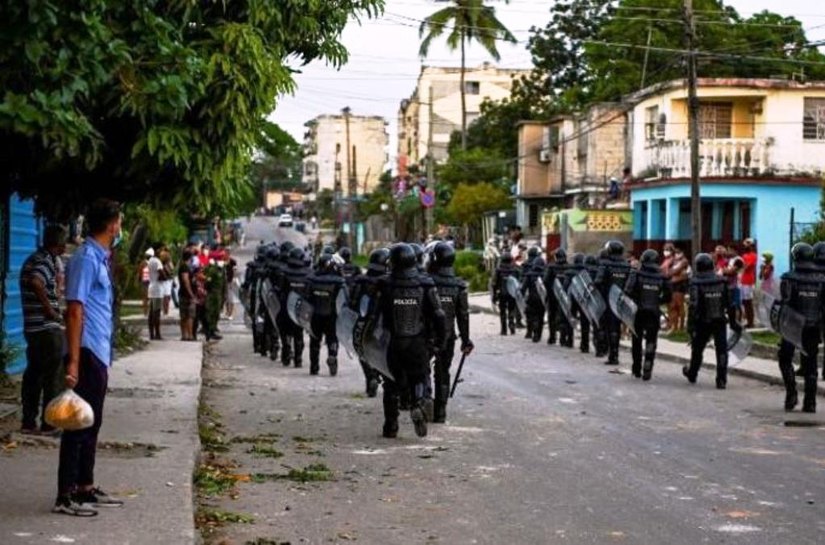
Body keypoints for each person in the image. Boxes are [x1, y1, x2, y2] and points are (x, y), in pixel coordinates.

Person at [56, 198, 124, 517]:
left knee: (91, 421)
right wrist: (72, 360)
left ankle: (85, 486)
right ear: (111, 225)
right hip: (84, 350)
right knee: (77, 423)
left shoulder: (100, 258)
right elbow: (74, 310)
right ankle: (66, 495)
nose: (120, 227)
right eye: (119, 222)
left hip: (97, 350)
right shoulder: (85, 258)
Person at [376, 243, 446, 438]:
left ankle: (390, 426)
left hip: (391, 342)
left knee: (390, 383)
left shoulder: (384, 283)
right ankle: (417, 404)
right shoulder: (425, 283)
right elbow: (439, 315)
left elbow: (374, 316)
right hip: (416, 341)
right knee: (420, 376)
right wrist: (442, 339)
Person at [19, 225, 68, 436]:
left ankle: (29, 422)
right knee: (53, 376)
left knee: (34, 375)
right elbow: (36, 282)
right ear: (58, 244)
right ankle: (50, 423)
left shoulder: (33, 259)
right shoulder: (45, 260)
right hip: (46, 328)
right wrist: (50, 311)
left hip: (33, 327)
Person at [427, 242, 473, 423]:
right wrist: (466, 340)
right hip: (448, 336)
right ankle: (440, 412)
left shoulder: (427, 282)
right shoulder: (459, 286)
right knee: (443, 372)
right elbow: (463, 316)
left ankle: (424, 400)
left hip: (426, 336)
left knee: (422, 370)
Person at [777, 243, 824, 412]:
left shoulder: (789, 278)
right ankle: (810, 402)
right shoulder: (822, 280)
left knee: (784, 358)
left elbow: (786, 303)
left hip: (792, 326)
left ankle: (791, 394)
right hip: (813, 326)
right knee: (811, 363)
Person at [683, 253, 737, 389]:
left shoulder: (695, 282)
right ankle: (722, 379)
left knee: (697, 349)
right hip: (719, 320)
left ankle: (693, 373)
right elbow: (730, 304)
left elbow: (693, 306)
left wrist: (690, 326)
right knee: (722, 350)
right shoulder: (722, 281)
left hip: (702, 321)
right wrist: (733, 322)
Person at [624, 249, 671, 380]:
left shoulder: (636, 274)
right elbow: (668, 296)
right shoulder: (663, 277)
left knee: (636, 340)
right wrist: (657, 301)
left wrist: (636, 299)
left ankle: (637, 368)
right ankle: (648, 365)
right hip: (654, 312)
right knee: (651, 339)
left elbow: (627, 291)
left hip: (638, 311)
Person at [350, 248, 390, 397]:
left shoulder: (360, 280)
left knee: (363, 353)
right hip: (383, 327)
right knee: (384, 355)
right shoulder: (389, 283)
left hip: (363, 324)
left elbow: (351, 304)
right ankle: (384, 380)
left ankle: (370, 377)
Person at [306, 254, 346, 376]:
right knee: (332, 339)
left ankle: (314, 367)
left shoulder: (312, 279)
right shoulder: (339, 281)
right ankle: (332, 355)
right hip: (332, 316)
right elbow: (345, 299)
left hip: (315, 316)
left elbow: (306, 297)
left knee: (314, 341)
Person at [595, 241, 632, 366]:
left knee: (604, 326)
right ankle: (615, 354)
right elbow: (630, 284)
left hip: (606, 300)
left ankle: (606, 352)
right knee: (616, 328)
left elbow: (598, 281)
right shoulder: (627, 265)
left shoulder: (604, 264)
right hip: (621, 301)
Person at [279, 247, 311, 368]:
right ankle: (298, 359)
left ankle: (286, 349)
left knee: (286, 331)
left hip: (285, 308)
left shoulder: (283, 272)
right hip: (300, 309)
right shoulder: (308, 273)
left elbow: (279, 289)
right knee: (298, 334)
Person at [544, 248, 568, 346]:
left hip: (553, 296)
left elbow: (546, 280)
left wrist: (549, 291)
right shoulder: (568, 267)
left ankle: (552, 337)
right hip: (565, 296)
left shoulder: (551, 267)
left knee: (552, 316)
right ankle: (563, 338)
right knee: (564, 316)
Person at [663, 244, 689, 333]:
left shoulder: (684, 261)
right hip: (672, 286)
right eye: (676, 253)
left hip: (680, 286)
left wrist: (671, 274)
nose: (677, 254)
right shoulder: (673, 261)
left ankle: (681, 327)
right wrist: (671, 273)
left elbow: (674, 272)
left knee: (679, 306)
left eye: (679, 253)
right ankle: (674, 326)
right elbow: (666, 271)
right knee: (672, 306)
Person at [492, 250, 519, 335]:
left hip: (502, 293)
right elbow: (517, 282)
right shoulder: (515, 269)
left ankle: (504, 329)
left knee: (502, 311)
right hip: (512, 293)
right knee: (511, 309)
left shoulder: (498, 269)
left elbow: (494, 283)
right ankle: (511, 326)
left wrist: (494, 295)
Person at [520, 256, 546, 343]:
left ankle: (532, 330)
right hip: (542, 299)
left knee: (530, 315)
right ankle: (538, 334)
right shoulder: (545, 274)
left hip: (531, 299)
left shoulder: (529, 274)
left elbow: (523, 287)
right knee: (540, 317)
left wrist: (521, 296)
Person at [177, 249, 197, 341]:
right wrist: (191, 294)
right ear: (189, 258)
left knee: (184, 316)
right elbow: (186, 280)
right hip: (186, 295)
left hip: (184, 294)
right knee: (189, 316)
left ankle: (185, 335)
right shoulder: (185, 267)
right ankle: (189, 335)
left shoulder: (184, 267)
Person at [146, 247, 163, 340]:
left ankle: (151, 333)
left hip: (151, 286)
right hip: (157, 289)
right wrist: (165, 276)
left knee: (151, 312)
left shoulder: (150, 260)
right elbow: (161, 273)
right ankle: (157, 334)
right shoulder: (157, 261)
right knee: (156, 312)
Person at [740, 239, 757, 328]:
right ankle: (747, 320)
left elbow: (746, 267)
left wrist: (741, 266)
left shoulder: (753, 256)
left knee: (749, 302)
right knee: (744, 302)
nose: (745, 246)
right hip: (743, 280)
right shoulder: (744, 255)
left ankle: (751, 321)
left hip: (749, 281)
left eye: (747, 244)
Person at [138, 250, 151, 316]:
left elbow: (139, 272)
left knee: (145, 297)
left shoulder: (143, 263)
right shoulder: (149, 263)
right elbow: (140, 272)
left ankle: (146, 312)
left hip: (146, 282)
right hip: (147, 282)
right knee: (146, 297)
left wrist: (139, 280)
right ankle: (146, 311)